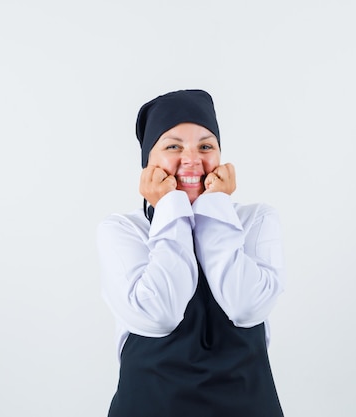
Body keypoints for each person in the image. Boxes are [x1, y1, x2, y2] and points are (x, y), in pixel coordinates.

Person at [97, 89, 286, 416]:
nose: (192, 159)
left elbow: (244, 306)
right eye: (173, 146)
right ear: (148, 163)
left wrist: (213, 209)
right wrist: (171, 208)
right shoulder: (123, 230)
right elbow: (159, 315)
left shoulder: (256, 220)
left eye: (206, 146)